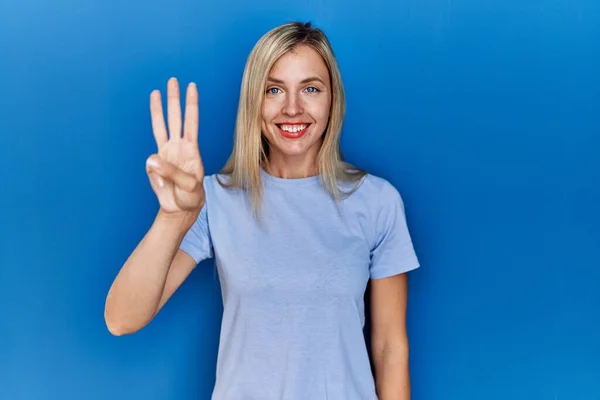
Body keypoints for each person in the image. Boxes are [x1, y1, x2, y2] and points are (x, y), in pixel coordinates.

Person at [104, 21, 420, 400]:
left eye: (310, 89)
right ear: (254, 98)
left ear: (333, 98)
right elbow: (121, 319)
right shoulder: (212, 199)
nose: (292, 108)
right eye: (274, 89)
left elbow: (390, 349)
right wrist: (173, 217)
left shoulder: (378, 202)